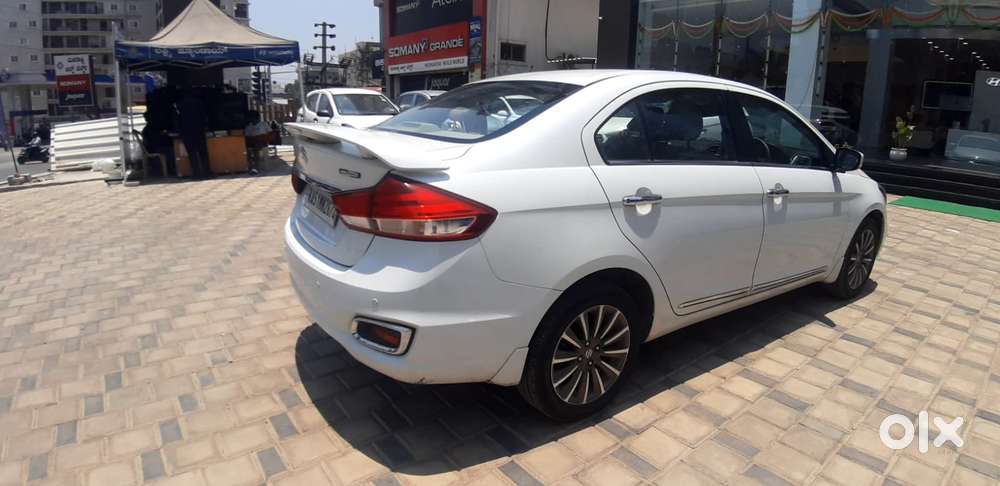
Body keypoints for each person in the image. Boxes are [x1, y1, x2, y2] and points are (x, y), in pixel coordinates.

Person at [175, 91, 211, 178]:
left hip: (186, 130)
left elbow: (177, 119)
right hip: (199, 129)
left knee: (192, 152)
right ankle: (207, 172)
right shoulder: (199, 103)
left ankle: (196, 173)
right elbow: (204, 116)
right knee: (203, 151)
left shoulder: (179, 105)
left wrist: (178, 131)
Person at [244, 110, 269, 175]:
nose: (252, 119)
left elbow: (269, 134)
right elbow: (248, 138)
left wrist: (262, 139)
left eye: (253, 117)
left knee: (262, 156)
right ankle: (254, 168)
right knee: (251, 153)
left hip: (263, 144)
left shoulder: (264, 124)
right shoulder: (249, 127)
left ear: (258, 117)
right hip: (254, 145)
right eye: (250, 118)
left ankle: (262, 169)